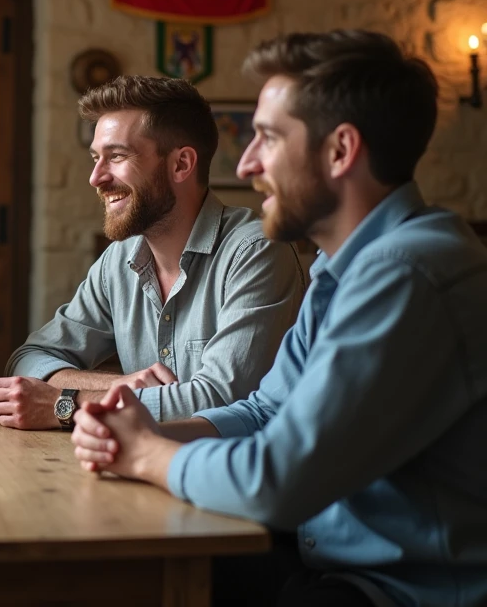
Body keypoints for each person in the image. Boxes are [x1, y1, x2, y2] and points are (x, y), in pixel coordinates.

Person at [71, 30, 487, 607]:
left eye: (266, 138)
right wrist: (146, 428)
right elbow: (267, 409)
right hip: (322, 557)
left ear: (340, 151)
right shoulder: (342, 266)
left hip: (405, 590)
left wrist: (144, 454)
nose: (246, 163)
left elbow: (278, 481)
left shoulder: (407, 270)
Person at [0, 76, 303, 430]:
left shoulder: (256, 252)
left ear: (181, 164)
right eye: (96, 158)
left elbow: (222, 400)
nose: (95, 177)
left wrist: (72, 404)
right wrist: (117, 384)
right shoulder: (118, 260)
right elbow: (28, 359)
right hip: (135, 469)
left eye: (117, 156)